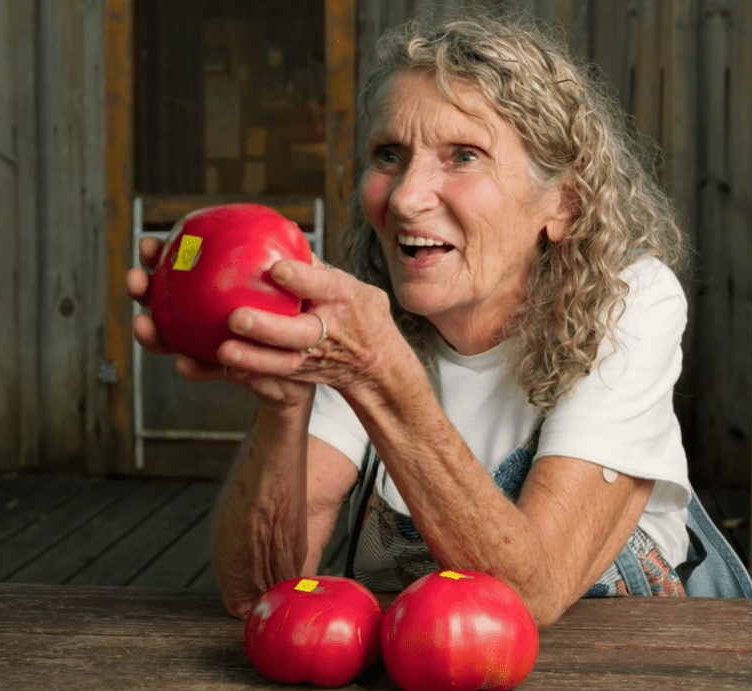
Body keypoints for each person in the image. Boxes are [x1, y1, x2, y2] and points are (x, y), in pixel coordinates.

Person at [128, 11, 693, 627]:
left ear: (563, 202)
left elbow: (530, 595)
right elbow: (259, 594)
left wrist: (377, 375)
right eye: (389, 155)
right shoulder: (364, 318)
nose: (404, 198)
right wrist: (286, 403)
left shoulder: (630, 301)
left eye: (464, 156)